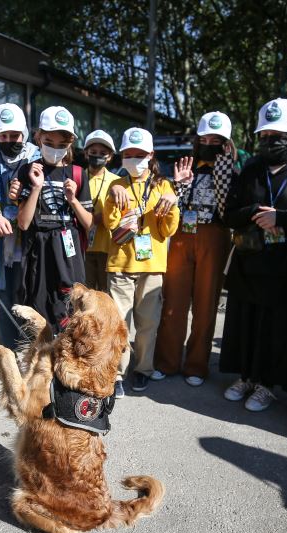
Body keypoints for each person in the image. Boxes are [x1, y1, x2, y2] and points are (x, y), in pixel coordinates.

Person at [219, 98, 287, 411]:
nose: (269, 141)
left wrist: (283, 218)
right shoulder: (251, 168)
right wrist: (253, 211)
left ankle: (267, 384)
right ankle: (245, 376)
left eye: (277, 135)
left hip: (285, 267)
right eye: (264, 135)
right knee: (244, 321)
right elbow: (229, 213)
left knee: (276, 327)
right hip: (249, 261)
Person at [154, 111, 238, 387]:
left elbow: (229, 209)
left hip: (214, 235)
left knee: (205, 304)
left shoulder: (232, 171)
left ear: (226, 143)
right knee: (173, 302)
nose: (209, 143)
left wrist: (223, 170)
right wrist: (178, 185)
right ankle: (166, 361)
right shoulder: (185, 166)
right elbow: (168, 202)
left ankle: (196, 365)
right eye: (205, 138)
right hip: (182, 234)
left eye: (216, 139)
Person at [105, 127, 180, 396]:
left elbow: (168, 230)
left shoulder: (163, 185)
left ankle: (143, 368)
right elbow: (111, 225)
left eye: (139, 155)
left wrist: (171, 205)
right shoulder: (116, 185)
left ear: (150, 155)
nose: (134, 160)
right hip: (121, 266)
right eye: (128, 154)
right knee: (119, 324)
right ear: (122, 156)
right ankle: (116, 374)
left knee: (148, 324)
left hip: (151, 267)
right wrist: (114, 200)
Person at [10, 106, 93, 332]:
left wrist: (73, 200)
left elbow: (89, 224)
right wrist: (36, 187)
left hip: (69, 247)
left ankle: (68, 360)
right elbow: (24, 223)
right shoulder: (27, 170)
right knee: (38, 308)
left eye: (62, 145)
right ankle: (42, 361)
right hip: (38, 245)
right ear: (38, 137)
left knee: (72, 307)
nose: (55, 149)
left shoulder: (78, 173)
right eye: (49, 142)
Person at [0, 103, 40, 346]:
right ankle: (8, 344)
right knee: (4, 291)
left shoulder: (35, 153)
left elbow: (38, 182)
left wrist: (21, 190)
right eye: (3, 136)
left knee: (26, 287)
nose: (8, 140)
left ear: (23, 134)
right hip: (2, 234)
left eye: (14, 135)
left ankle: (29, 345)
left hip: (28, 232)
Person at [82, 129, 120, 292]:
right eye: (93, 152)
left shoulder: (117, 181)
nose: (97, 155)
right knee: (85, 291)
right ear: (86, 153)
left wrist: (101, 217)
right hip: (83, 246)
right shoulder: (77, 177)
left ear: (110, 156)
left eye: (103, 152)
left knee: (106, 292)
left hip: (108, 246)